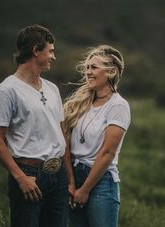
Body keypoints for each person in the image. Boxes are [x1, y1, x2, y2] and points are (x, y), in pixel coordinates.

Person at [0, 24, 70, 227]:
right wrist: (20, 178)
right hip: (29, 175)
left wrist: (68, 178)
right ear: (35, 50)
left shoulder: (52, 89)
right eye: (50, 51)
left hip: (58, 176)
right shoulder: (5, 92)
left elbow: (60, 132)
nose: (54, 56)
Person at [63, 45, 131, 227]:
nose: (88, 72)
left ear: (110, 72)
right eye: (87, 67)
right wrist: (70, 182)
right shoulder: (79, 103)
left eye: (94, 67)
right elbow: (65, 145)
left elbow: (107, 152)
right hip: (74, 177)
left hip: (101, 181)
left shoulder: (118, 106)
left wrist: (84, 190)